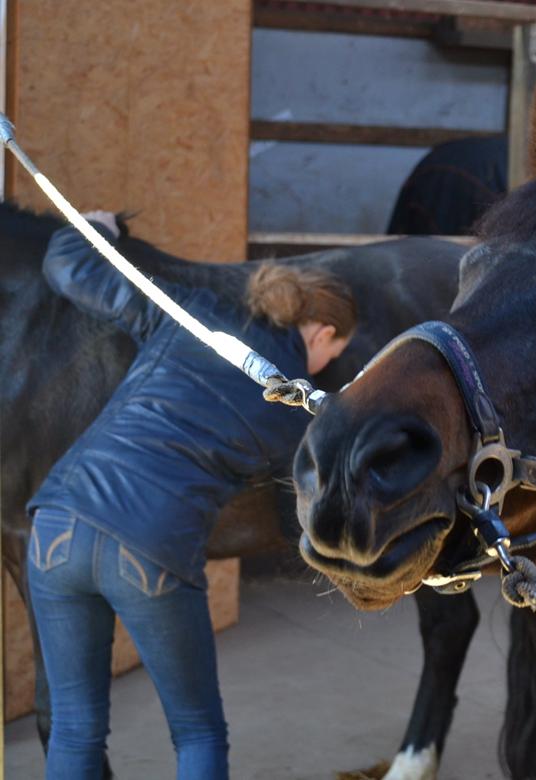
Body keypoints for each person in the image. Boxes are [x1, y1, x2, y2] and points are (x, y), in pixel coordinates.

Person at [26, 212, 357, 779]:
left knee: (76, 728)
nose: (328, 366)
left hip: (57, 523)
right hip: (148, 548)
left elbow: (66, 265)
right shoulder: (293, 409)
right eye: (336, 353)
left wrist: (98, 228)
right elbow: (309, 510)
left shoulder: (195, 316)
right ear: (322, 333)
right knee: (198, 732)